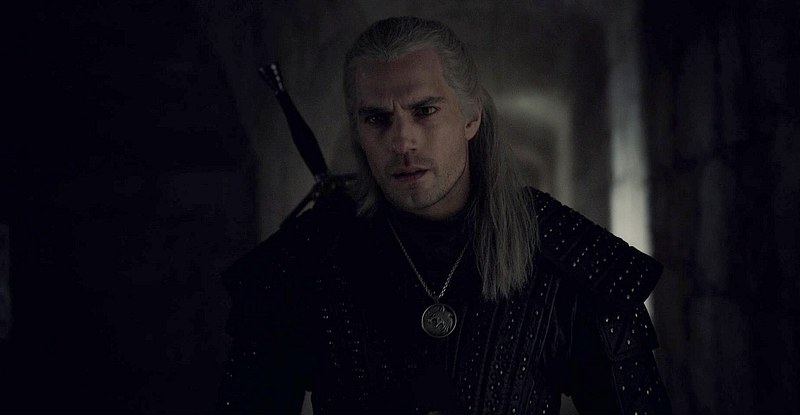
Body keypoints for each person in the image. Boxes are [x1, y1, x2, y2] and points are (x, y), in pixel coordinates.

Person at [217, 16, 672, 415]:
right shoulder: (308, 260)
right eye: (376, 118)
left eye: (425, 111)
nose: (402, 142)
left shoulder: (564, 253)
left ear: (470, 116)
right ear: (357, 130)